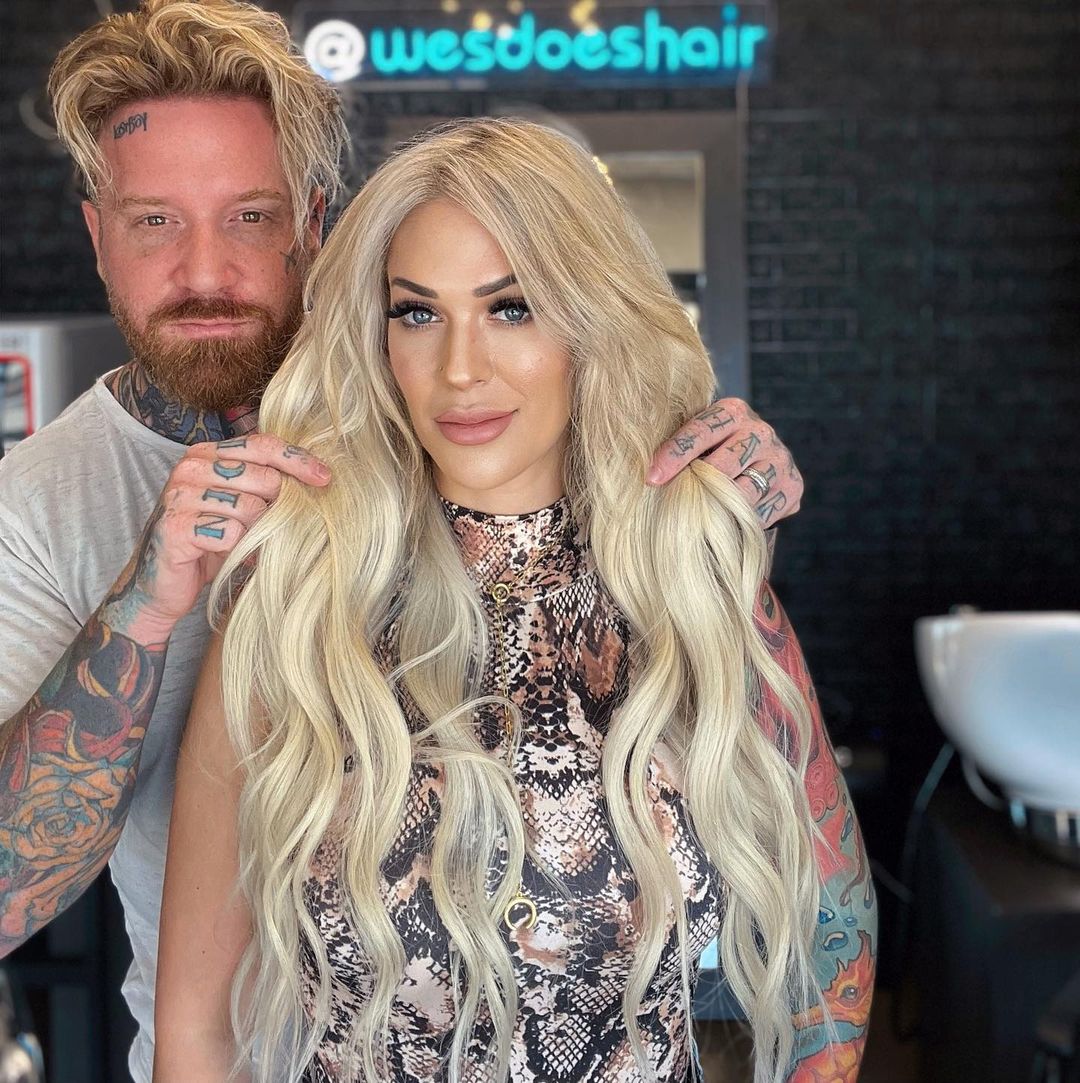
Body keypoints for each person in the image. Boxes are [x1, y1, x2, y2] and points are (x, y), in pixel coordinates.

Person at [0, 2, 804, 1080]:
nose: (205, 270)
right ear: (97, 232)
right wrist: (143, 611)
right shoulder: (41, 507)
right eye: (154, 221)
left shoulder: (465, 425)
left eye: (248, 216)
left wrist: (714, 480)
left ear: (313, 221)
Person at [154, 118, 876, 1083]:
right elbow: (197, 1030)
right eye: (418, 314)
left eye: (512, 307)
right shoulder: (295, 606)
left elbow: (835, 932)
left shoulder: (692, 586)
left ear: (589, 321)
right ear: (377, 339)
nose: (461, 368)